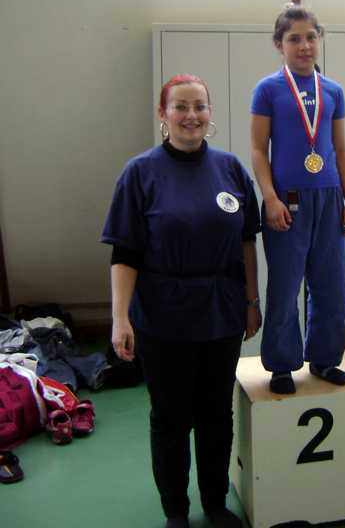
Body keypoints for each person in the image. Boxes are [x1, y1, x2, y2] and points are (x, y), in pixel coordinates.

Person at [103, 74, 261, 528]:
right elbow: (125, 252)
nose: (191, 115)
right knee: (170, 418)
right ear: (163, 114)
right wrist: (119, 318)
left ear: (210, 113)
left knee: (216, 414)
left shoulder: (231, 169)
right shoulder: (140, 173)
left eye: (199, 106)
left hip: (221, 311)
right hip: (162, 315)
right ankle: (175, 509)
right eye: (180, 107)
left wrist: (251, 301)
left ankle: (214, 502)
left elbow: (247, 242)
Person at [251, 4, 345, 395]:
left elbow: (341, 150)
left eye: (311, 37)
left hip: (329, 200)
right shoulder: (268, 90)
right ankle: (281, 364)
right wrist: (270, 198)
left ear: (320, 39)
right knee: (284, 287)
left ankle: (325, 358)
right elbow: (258, 150)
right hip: (287, 201)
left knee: (332, 287)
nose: (304, 45)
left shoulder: (333, 91)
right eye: (294, 39)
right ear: (279, 44)